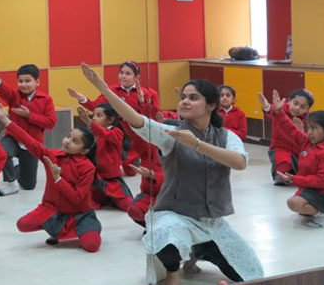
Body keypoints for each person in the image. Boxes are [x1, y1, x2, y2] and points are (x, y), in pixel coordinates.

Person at [79, 63, 264, 284]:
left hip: (212, 222)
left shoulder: (226, 136)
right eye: (183, 97)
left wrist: (196, 144)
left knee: (253, 274)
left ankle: (199, 250)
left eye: (193, 98)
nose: (185, 101)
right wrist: (104, 89)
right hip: (175, 215)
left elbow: (240, 163)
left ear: (211, 105)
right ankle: (172, 273)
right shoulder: (171, 133)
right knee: (165, 231)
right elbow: (138, 120)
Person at [0, 99, 103, 252]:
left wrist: (58, 179)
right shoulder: (52, 155)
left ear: (84, 150)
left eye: (75, 141)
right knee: (23, 225)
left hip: (79, 214)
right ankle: (56, 229)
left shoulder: (88, 167)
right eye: (68, 136)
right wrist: (5, 120)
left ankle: (83, 229)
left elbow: (77, 198)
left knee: (92, 245)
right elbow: (30, 142)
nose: (67, 141)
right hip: (52, 209)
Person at [68, 60, 159, 177]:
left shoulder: (148, 93)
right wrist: (81, 98)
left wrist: (142, 100)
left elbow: (152, 115)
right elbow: (95, 106)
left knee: (131, 171)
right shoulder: (111, 90)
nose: (123, 76)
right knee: (108, 160)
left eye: (128, 73)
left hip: (137, 133)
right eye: (121, 72)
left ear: (136, 77)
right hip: (118, 131)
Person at [269, 90, 324, 228]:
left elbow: (322, 182)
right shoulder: (309, 141)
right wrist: (279, 113)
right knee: (298, 207)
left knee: (294, 203)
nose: (309, 132)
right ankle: (319, 210)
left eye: (314, 129)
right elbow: (290, 129)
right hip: (308, 188)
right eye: (309, 128)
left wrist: (294, 179)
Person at [0, 65, 57, 196]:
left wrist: (29, 116)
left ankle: (17, 166)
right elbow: (5, 92)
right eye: (20, 81)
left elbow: (51, 123)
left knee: (29, 185)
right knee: (2, 152)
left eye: (27, 81)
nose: (23, 85)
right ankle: (12, 182)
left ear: (37, 82)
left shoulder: (46, 99)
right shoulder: (15, 96)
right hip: (12, 137)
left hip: (32, 143)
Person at [77, 104, 133, 211]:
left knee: (129, 206)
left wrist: (89, 122)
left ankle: (110, 198)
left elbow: (105, 134)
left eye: (99, 115)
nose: (94, 118)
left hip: (112, 180)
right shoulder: (91, 133)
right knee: (88, 205)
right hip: (93, 180)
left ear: (110, 119)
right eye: (93, 115)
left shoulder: (117, 132)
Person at [258, 88, 313, 185]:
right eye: (295, 103)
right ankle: (282, 177)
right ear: (289, 101)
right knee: (283, 165)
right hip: (281, 147)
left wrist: (302, 130)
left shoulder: (308, 119)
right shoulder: (281, 109)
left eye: (302, 107)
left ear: (307, 109)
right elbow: (272, 111)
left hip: (298, 151)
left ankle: (295, 175)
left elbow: (308, 140)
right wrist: (266, 107)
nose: (297, 108)